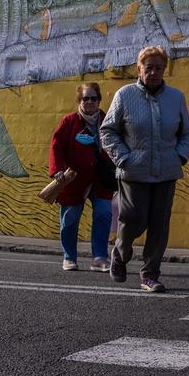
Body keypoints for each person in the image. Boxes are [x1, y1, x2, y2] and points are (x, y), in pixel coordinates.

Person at [99, 46, 189, 293]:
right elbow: (107, 131)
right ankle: (120, 254)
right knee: (133, 218)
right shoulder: (124, 95)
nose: (153, 72)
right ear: (139, 68)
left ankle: (150, 275)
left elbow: (187, 132)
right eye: (148, 67)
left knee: (159, 224)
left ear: (165, 69)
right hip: (134, 171)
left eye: (158, 67)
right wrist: (123, 158)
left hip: (166, 171)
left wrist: (179, 156)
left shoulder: (176, 97)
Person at [48, 82, 116, 272]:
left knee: (103, 214)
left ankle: (100, 257)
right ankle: (69, 257)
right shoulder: (69, 122)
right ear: (79, 100)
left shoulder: (108, 121)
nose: (90, 102)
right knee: (69, 219)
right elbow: (56, 147)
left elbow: (118, 144)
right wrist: (57, 170)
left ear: (99, 100)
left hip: (102, 179)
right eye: (85, 98)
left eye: (94, 98)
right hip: (73, 179)